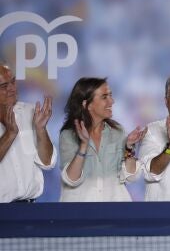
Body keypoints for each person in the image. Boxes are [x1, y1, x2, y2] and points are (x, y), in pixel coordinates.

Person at [59, 77, 146, 202]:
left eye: (110, 95)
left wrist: (129, 147)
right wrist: (84, 145)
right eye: (104, 97)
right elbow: (71, 179)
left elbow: (131, 177)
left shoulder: (118, 132)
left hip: (115, 212)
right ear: (86, 104)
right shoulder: (68, 135)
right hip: (79, 214)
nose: (112, 101)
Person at [0, 63, 56, 203]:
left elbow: (47, 163)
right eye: (4, 86)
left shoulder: (31, 112)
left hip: (30, 210)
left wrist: (41, 130)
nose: (12, 88)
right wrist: (10, 134)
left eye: (13, 81)